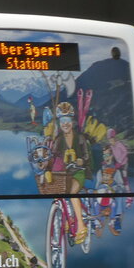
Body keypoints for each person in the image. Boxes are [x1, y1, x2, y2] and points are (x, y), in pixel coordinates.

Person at [47, 101, 90, 243]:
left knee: (72, 192)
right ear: (59, 122)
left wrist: (80, 161)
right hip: (64, 173)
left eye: (68, 120)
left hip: (78, 172)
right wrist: (47, 169)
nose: (65, 123)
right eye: (62, 120)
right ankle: (64, 216)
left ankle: (81, 226)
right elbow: (53, 157)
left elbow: (86, 156)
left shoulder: (80, 138)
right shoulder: (59, 140)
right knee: (56, 191)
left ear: (72, 121)